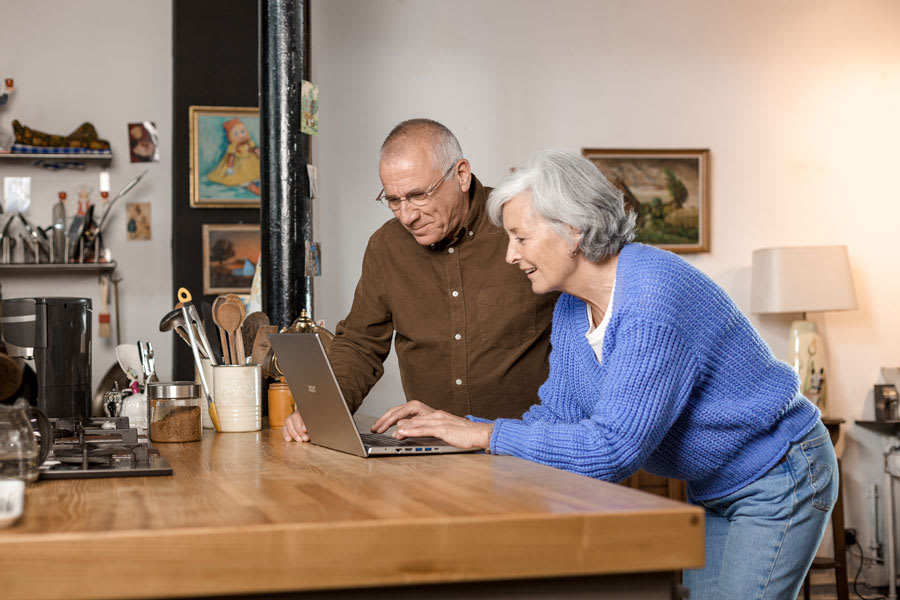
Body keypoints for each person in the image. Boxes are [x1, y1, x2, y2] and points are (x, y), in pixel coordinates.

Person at [371, 149, 838, 600]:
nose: (510, 255)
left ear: (572, 230)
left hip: (779, 472)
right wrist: (456, 430)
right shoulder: (573, 310)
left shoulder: (650, 299)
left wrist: (485, 435)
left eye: (521, 237)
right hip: (715, 483)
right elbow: (556, 414)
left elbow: (613, 449)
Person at [283, 119, 556, 442]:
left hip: (528, 447)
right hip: (430, 451)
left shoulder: (522, 228)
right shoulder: (386, 247)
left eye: (418, 195)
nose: (407, 216)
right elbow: (360, 345)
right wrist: (322, 410)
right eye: (394, 200)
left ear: (462, 175)